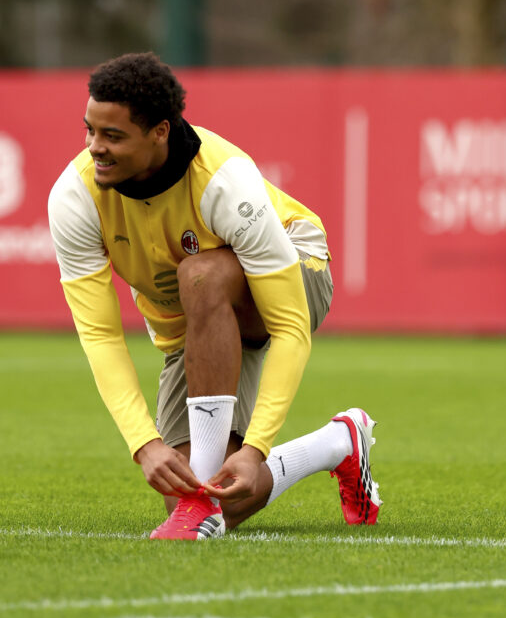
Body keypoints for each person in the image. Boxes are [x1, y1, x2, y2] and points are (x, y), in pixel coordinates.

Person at [47, 52, 382, 540]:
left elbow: (289, 327)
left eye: (113, 136)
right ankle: (338, 444)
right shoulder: (74, 198)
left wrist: (258, 448)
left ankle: (196, 510)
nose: (95, 148)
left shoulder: (225, 182)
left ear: (160, 131)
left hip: (296, 271)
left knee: (199, 274)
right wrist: (145, 445)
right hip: (196, 322)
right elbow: (100, 335)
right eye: (89, 131)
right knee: (205, 488)